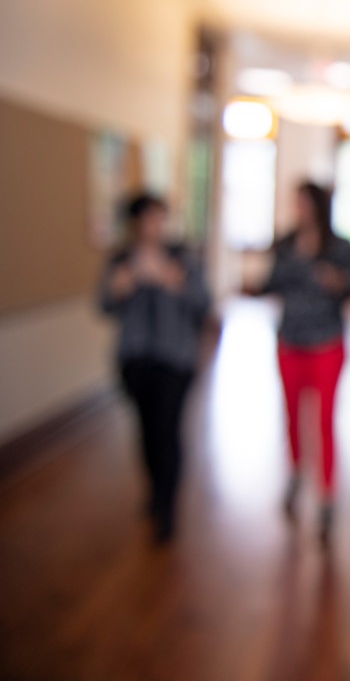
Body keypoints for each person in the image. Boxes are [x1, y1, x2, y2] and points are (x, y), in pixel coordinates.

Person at [254, 182, 350, 545]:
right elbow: (269, 283)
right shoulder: (286, 245)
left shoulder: (341, 248)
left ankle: (327, 494)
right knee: (291, 415)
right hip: (290, 341)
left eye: (303, 203)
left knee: (323, 420)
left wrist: (340, 281)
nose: (298, 209)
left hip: (326, 342)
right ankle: (295, 473)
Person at [99, 193, 209, 544]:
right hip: (136, 359)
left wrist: (172, 281)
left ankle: (168, 505)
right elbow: (103, 303)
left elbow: (203, 303)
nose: (155, 226)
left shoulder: (183, 258)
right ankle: (154, 489)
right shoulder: (121, 260)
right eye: (148, 219)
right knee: (146, 432)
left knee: (168, 430)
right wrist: (122, 285)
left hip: (175, 359)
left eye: (160, 218)